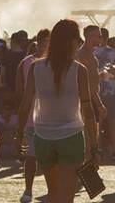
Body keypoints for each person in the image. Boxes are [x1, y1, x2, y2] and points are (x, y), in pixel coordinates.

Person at [16, 19, 98, 203]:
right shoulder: (79, 70)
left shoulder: (36, 67)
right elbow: (87, 109)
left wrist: (19, 133)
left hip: (43, 136)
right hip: (71, 135)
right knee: (67, 193)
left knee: (52, 191)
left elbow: (25, 104)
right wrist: (94, 144)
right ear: (72, 42)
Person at [16, 28, 51, 203]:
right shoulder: (27, 63)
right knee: (32, 155)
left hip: (51, 118)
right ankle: (28, 189)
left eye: (49, 41)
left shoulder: (56, 63)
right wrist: (20, 123)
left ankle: (52, 190)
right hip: (32, 117)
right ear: (38, 41)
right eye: (43, 41)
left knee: (50, 158)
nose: (46, 44)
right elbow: (19, 91)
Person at [93, 28, 115, 159]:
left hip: (95, 89)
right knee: (113, 120)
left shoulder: (90, 52)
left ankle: (97, 148)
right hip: (111, 89)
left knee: (97, 120)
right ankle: (114, 148)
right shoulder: (113, 52)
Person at [77, 25, 107, 123]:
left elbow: (88, 78)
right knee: (91, 134)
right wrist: (99, 104)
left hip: (88, 99)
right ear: (91, 36)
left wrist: (100, 75)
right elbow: (89, 84)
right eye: (99, 36)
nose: (101, 39)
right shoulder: (85, 55)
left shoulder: (88, 54)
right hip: (88, 101)